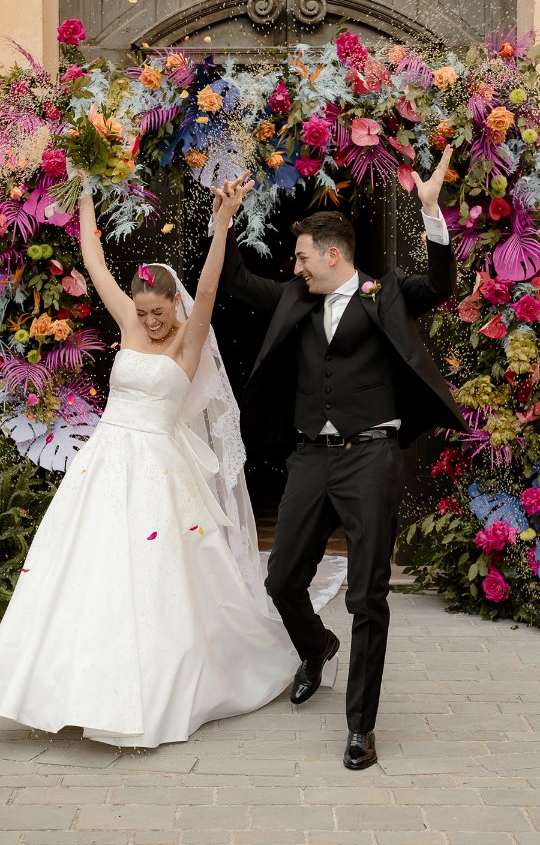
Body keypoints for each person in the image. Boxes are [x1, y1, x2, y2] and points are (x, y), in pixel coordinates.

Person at [0, 172, 302, 748]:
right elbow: (94, 261)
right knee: (87, 568)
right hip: (104, 462)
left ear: (173, 304)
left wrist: (222, 224)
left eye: (157, 311)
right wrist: (84, 194)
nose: (149, 321)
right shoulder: (129, 321)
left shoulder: (189, 337)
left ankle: (153, 691)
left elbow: (208, 287)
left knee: (154, 578)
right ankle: (64, 687)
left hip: (160, 471)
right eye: (141, 312)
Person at [212, 145, 467, 770]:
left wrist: (430, 211)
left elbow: (440, 283)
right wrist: (224, 225)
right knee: (281, 579)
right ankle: (315, 645)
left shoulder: (386, 294)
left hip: (371, 457)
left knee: (367, 596)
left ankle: (360, 728)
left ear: (332, 255)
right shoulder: (294, 298)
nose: (294, 266)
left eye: (302, 256)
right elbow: (236, 281)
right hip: (310, 456)